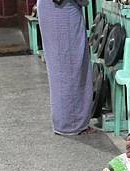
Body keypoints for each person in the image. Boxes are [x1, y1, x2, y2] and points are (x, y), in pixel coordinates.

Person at [37, 0, 94, 135]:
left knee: (60, 68)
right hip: (62, 11)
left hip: (53, 8)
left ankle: (67, 122)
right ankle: (71, 124)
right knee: (70, 68)